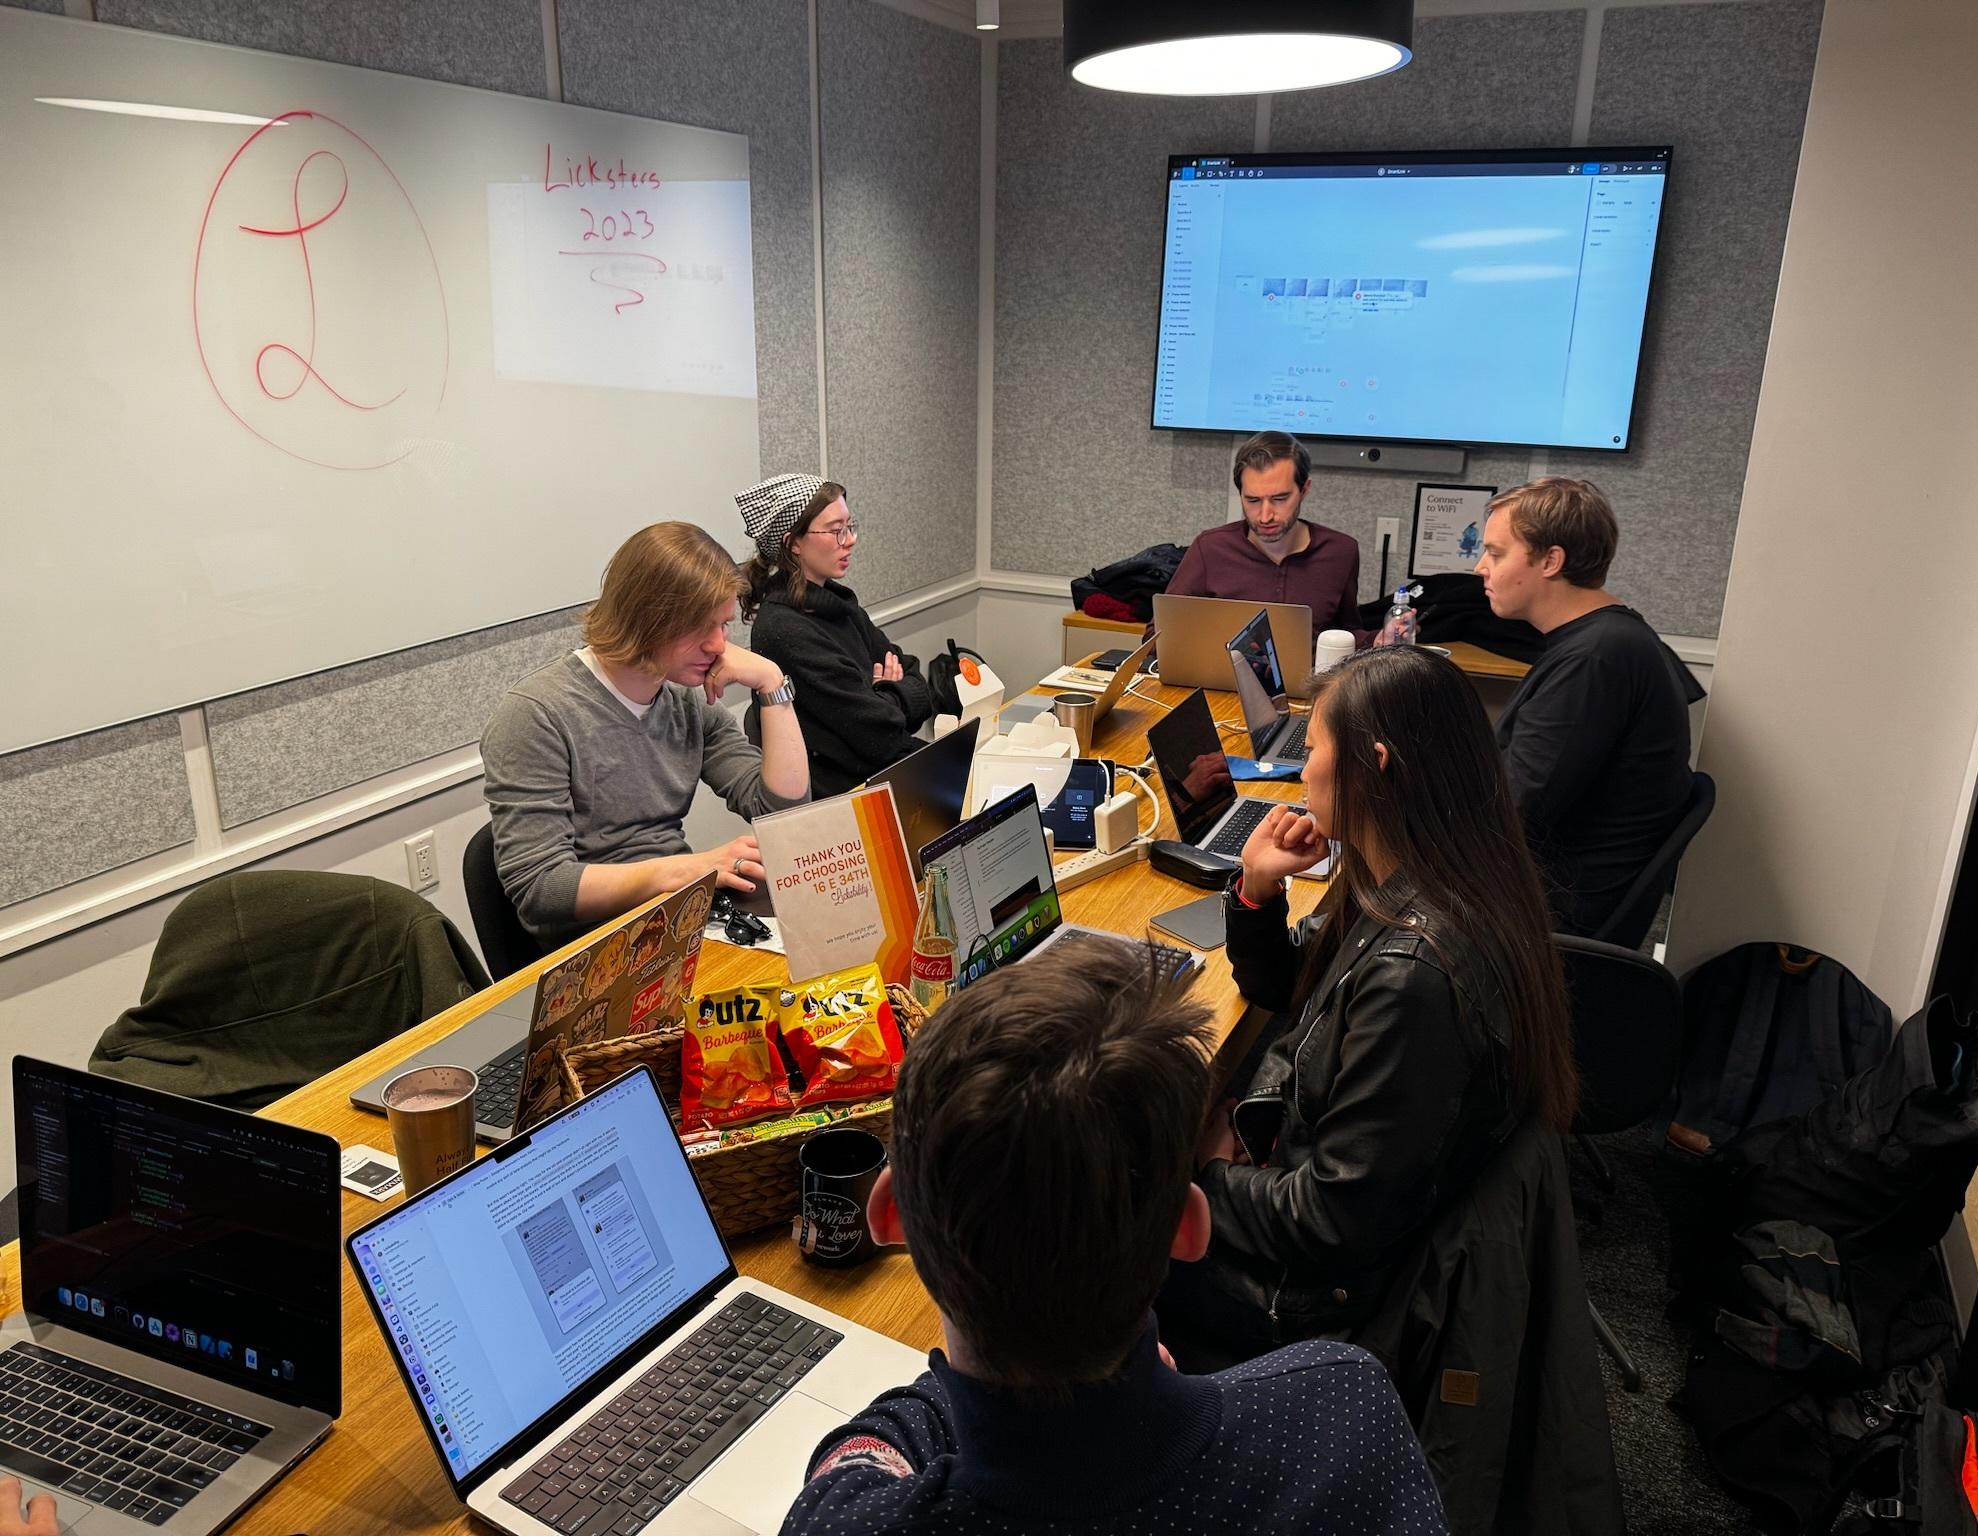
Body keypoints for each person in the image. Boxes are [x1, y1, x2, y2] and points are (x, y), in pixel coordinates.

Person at [782, 937, 1446, 1535]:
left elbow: (857, 1459)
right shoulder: (1343, 1408)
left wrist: (945, 1394)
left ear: (889, 1216)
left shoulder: (843, 1523)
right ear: (1188, 1229)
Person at [1157, 645, 1578, 1363]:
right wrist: (1257, 892)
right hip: (1325, 1185)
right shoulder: (1425, 870)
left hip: (1319, 1299)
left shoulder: (1418, 973)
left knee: (1090, 1221)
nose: (1300, 768)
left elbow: (1332, 1222)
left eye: (1313, 747)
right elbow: (1291, 990)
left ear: (1374, 762)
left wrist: (1205, 1174)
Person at [480, 521, 809, 951]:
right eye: (701, 628)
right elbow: (541, 887)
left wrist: (771, 682)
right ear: (646, 620)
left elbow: (782, 811)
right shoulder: (536, 714)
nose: (718, 646)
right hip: (594, 943)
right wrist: (683, 871)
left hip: (675, 913)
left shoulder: (685, 698)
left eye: (724, 625)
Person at [1475, 477, 1698, 938]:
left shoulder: (1595, 660)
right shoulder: (1608, 640)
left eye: (1496, 554)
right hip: (1560, 887)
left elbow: (1514, 815)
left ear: (1551, 561)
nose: (1480, 567)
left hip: (1548, 911)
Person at [736, 473, 934, 797]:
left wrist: (880, 694)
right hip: (846, 798)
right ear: (793, 543)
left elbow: (918, 684)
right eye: (835, 530)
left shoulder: (839, 604)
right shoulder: (783, 630)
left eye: (849, 526)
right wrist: (890, 692)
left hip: (882, 772)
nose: (850, 539)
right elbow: (878, 735)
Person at [1164, 430, 1365, 638]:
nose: (1265, 516)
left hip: (1311, 670)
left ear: (1304, 490)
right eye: (1253, 500)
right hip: (1224, 668)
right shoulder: (1210, 549)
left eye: (1279, 499)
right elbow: (1159, 634)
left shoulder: (1341, 552)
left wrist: (1378, 639)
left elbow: (1348, 634)